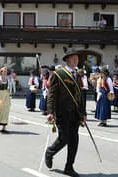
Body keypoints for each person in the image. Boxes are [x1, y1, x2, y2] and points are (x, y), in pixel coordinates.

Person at [45, 48, 87, 177]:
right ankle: (50, 151)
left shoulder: (78, 75)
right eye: (73, 58)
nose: (76, 60)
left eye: (77, 58)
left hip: (75, 113)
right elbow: (52, 94)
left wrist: (84, 113)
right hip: (62, 112)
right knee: (64, 138)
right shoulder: (58, 74)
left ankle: (69, 167)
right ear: (67, 60)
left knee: (74, 140)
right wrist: (50, 111)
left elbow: (80, 95)